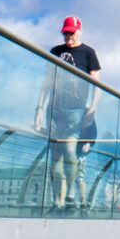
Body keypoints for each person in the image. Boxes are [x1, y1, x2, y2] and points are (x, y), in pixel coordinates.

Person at [33, 15, 102, 211]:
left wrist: (93, 109)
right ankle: (58, 201)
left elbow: (97, 84)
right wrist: (39, 109)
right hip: (54, 109)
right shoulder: (56, 51)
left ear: (79, 31)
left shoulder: (88, 53)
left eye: (72, 33)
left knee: (70, 150)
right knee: (55, 157)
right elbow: (47, 82)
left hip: (76, 109)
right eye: (65, 33)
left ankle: (70, 194)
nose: (68, 37)